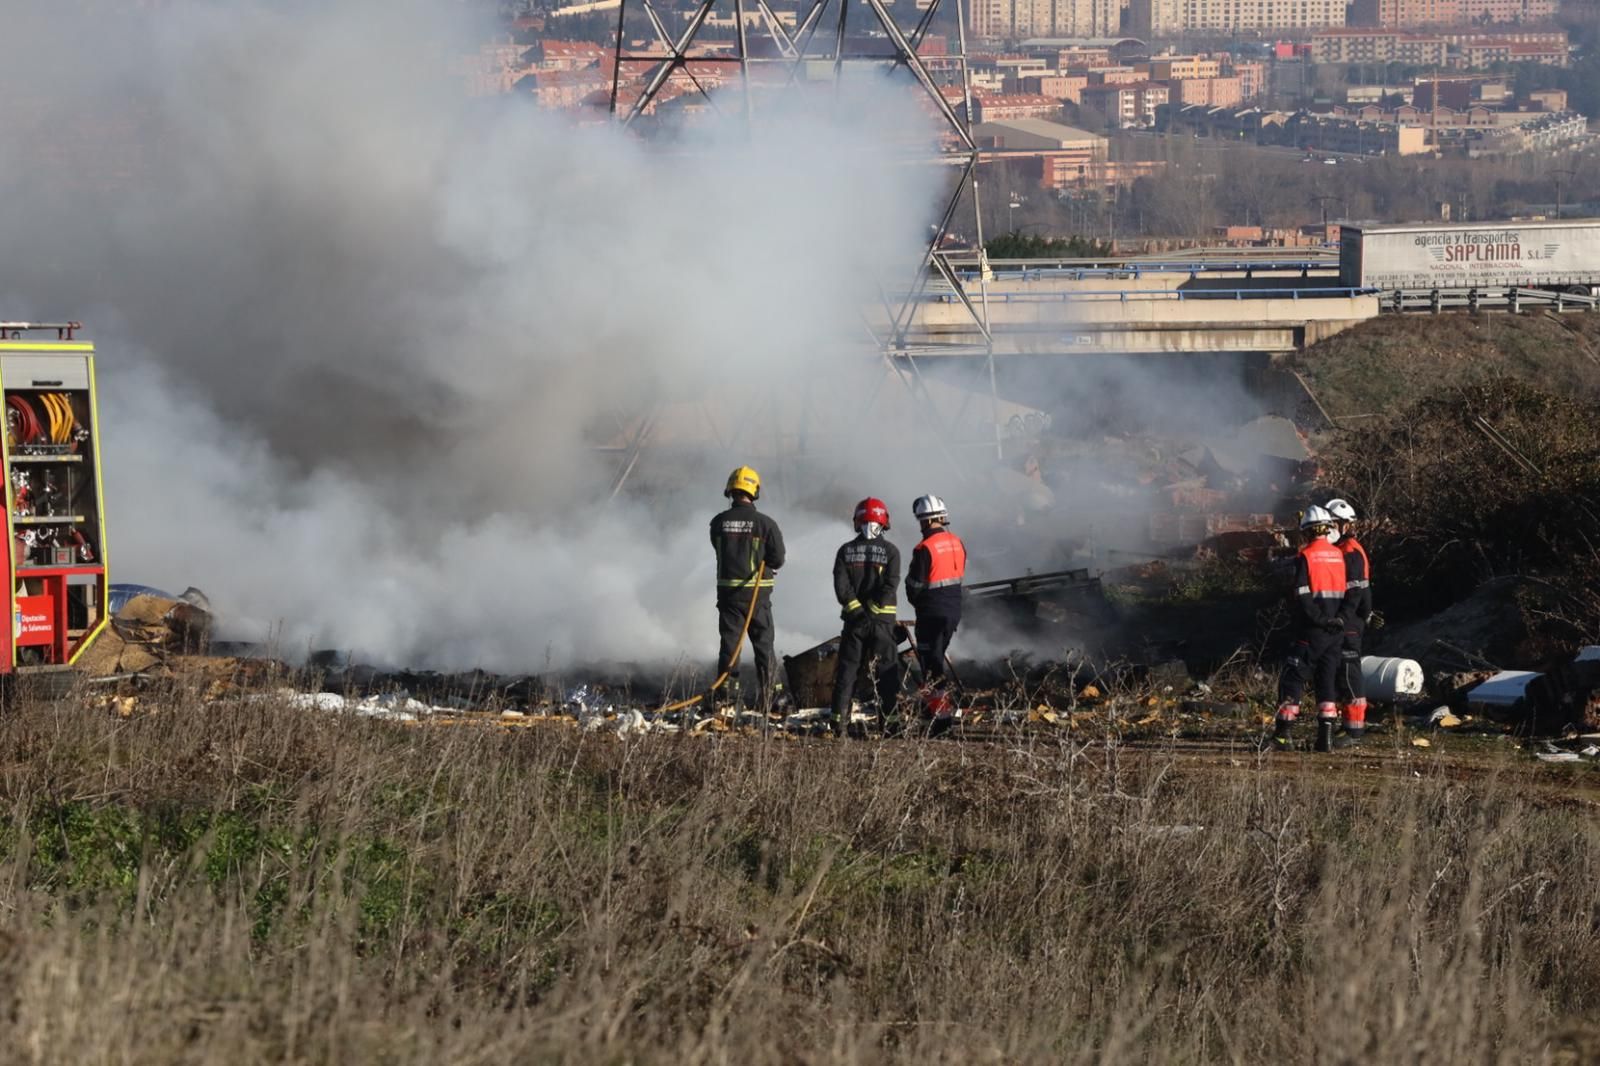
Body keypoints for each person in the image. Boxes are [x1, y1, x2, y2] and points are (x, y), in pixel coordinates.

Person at [1270, 504, 1348, 753]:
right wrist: (1338, 619)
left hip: (1312, 629)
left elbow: (1302, 595)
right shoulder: (1338, 555)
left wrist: (1319, 619)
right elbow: (1347, 593)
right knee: (1327, 680)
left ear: (1307, 531)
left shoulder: (1306, 556)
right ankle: (1325, 739)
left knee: (1292, 677)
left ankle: (1283, 736)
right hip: (1335, 631)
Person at [709, 466, 785, 710]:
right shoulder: (766, 524)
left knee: (730, 647)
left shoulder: (718, 522)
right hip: (757, 597)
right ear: (754, 491)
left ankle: (727, 698)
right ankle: (772, 698)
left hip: (729, 596)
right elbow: (778, 559)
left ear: (731, 490)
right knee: (764, 646)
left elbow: (718, 548)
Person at [830, 497, 902, 736]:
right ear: (884, 521)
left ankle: (839, 724)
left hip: (854, 624)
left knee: (848, 673)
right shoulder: (891, 552)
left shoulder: (845, 551)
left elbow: (842, 588)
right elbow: (890, 585)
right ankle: (890, 726)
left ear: (857, 521)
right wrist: (871, 610)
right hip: (882, 624)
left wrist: (859, 612)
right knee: (886, 675)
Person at [905, 494, 966, 689]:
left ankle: (938, 705)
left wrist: (917, 602)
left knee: (931, 665)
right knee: (937, 657)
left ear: (925, 520)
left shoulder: (924, 548)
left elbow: (914, 586)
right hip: (954, 611)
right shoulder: (957, 542)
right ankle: (939, 701)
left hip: (931, 614)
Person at [1326, 498, 1372, 743]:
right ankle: (1345, 724)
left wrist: (1344, 618)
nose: (1328, 528)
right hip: (1344, 619)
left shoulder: (1350, 552)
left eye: (1332, 523)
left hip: (1349, 621)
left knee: (1348, 671)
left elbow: (1357, 593)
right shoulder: (1341, 549)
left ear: (1345, 524)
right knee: (1338, 672)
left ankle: (1354, 729)